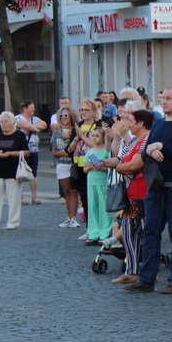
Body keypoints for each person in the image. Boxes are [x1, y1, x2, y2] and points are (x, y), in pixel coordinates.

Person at [124, 86, 172, 295]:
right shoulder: (158, 124)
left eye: (169, 98)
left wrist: (161, 147)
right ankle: (146, 278)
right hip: (156, 185)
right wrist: (150, 150)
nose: (164, 101)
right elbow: (147, 152)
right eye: (162, 98)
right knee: (150, 232)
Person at [109, 109, 153, 284]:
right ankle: (131, 270)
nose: (129, 123)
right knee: (128, 234)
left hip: (143, 192)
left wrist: (118, 167)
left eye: (132, 120)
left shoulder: (146, 140)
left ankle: (150, 271)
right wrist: (106, 163)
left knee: (147, 234)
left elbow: (133, 165)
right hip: (131, 192)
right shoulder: (135, 141)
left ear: (141, 123)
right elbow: (122, 159)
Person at [0, 112, 29, 230]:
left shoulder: (19, 135)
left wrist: (11, 153)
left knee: (14, 197)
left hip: (14, 171)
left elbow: (26, 152)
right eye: (1, 122)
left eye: (6, 121)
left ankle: (13, 221)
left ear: (12, 122)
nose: (3, 124)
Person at [70, 99, 102, 237]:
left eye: (86, 110)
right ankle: (90, 228)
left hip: (95, 165)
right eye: (81, 110)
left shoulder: (98, 125)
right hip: (80, 165)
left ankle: (99, 228)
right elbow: (68, 149)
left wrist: (82, 136)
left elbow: (95, 146)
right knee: (85, 198)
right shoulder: (78, 125)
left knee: (98, 199)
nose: (83, 112)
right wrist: (77, 138)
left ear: (94, 111)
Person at [82, 129, 112, 245]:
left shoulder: (106, 151)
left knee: (103, 207)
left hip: (102, 181)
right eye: (92, 136)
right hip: (91, 182)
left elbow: (109, 168)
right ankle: (93, 233)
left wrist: (100, 167)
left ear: (103, 138)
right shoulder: (89, 152)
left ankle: (104, 232)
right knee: (93, 207)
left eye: (97, 136)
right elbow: (84, 169)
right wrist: (88, 167)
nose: (94, 138)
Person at [51, 108, 80, 228]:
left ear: (71, 116)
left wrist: (66, 152)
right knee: (66, 192)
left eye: (66, 115)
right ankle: (69, 218)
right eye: (61, 115)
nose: (63, 117)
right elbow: (54, 151)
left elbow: (77, 149)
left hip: (73, 164)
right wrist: (67, 153)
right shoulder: (56, 133)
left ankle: (73, 218)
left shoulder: (76, 131)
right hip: (62, 164)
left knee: (74, 191)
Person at [15, 100, 47, 205]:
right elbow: (24, 125)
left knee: (34, 173)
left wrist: (31, 127)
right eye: (31, 107)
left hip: (33, 150)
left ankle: (34, 197)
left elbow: (44, 125)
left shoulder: (35, 119)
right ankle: (20, 197)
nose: (33, 109)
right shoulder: (17, 118)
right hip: (20, 150)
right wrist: (34, 128)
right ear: (24, 108)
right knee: (19, 173)